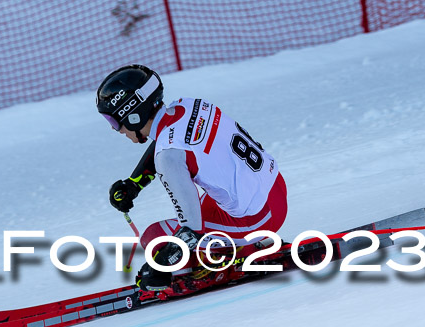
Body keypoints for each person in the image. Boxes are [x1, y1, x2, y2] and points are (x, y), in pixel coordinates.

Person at [96, 64, 287, 292]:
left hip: (258, 219)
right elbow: (169, 142)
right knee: (211, 196)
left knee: (155, 237)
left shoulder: (167, 158)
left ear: (133, 115)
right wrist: (135, 183)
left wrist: (159, 268)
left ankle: (193, 276)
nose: (116, 130)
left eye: (115, 122)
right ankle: (237, 247)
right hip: (276, 189)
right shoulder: (187, 106)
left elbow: (191, 232)